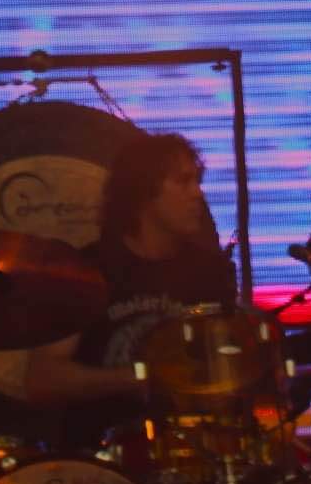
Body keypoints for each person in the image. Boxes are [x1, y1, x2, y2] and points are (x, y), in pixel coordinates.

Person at [17, 130, 238, 440]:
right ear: (143, 192)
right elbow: (41, 380)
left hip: (197, 446)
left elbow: (231, 365)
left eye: (197, 181)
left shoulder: (211, 272)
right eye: (183, 181)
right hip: (104, 452)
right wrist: (139, 377)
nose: (197, 194)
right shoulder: (87, 270)